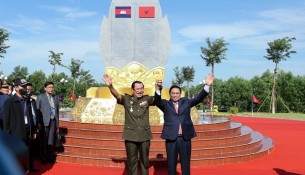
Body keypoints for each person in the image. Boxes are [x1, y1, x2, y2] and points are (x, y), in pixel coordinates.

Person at [154, 73, 214, 175]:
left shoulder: (186, 102)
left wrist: (207, 85)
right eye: (173, 93)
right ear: (170, 94)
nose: (175, 95)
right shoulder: (165, 104)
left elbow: (197, 99)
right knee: (171, 165)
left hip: (185, 138)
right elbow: (157, 101)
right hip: (171, 139)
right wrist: (157, 89)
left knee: (185, 164)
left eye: (177, 93)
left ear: (180, 94)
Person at [103, 74, 156, 175]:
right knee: (132, 162)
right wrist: (110, 86)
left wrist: (159, 89)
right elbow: (117, 96)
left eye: (141, 89)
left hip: (144, 135)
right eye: (137, 89)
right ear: (133, 90)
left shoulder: (147, 99)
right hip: (130, 135)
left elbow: (157, 100)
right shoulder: (127, 99)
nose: (140, 91)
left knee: (145, 161)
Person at [2, 78, 39, 172]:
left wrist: (33, 130)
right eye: (22, 86)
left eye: (26, 86)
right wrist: (8, 137)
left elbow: (30, 116)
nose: (25, 88)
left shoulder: (27, 101)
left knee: (27, 153)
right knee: (17, 158)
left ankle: (27, 169)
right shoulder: (10, 102)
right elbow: (6, 121)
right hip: (16, 134)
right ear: (16, 88)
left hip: (28, 132)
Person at [36, 81, 59, 164]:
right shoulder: (40, 97)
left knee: (51, 140)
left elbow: (57, 112)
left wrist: (57, 125)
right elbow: (37, 110)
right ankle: (43, 157)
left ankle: (50, 156)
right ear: (45, 88)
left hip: (53, 121)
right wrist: (38, 123)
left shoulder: (55, 98)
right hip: (44, 122)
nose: (51, 89)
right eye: (49, 87)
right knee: (43, 140)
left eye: (52, 87)